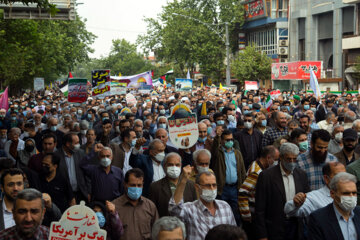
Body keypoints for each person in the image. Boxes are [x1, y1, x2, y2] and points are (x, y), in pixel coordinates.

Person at [255, 143, 310, 240]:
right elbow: (259, 209)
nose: (292, 162)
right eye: (289, 159)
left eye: (295, 159)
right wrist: (262, 235)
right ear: (281, 157)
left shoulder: (302, 175)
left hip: (296, 226)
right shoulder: (266, 176)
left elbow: (307, 201)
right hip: (274, 228)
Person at [169, 166, 236, 240]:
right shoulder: (189, 209)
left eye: (214, 185)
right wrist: (183, 181)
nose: (212, 189)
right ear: (197, 187)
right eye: (207, 185)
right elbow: (174, 209)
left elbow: (234, 234)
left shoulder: (225, 206)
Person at [238, 145, 279, 239]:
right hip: (252, 217)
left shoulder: (260, 166)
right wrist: (246, 215)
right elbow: (243, 192)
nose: (277, 162)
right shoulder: (256, 172)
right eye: (276, 159)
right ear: (268, 158)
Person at [308, 172, 360, 239]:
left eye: (354, 193)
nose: (351, 196)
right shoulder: (318, 219)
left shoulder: (358, 213)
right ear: (332, 194)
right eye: (346, 193)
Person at [211, 128, 246, 225]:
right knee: (222, 213)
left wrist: (241, 186)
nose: (230, 142)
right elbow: (213, 150)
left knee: (235, 214)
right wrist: (217, 137)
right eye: (227, 140)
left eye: (231, 139)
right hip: (223, 189)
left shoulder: (237, 153)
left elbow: (242, 171)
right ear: (222, 141)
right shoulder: (218, 153)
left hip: (235, 188)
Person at [112, 168, 159, 240]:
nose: (136, 188)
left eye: (139, 185)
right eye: (133, 185)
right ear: (125, 184)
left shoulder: (150, 206)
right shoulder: (114, 206)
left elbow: (156, 232)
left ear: (143, 185)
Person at [149, 152, 197, 217]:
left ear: (181, 166)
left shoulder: (190, 184)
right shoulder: (155, 187)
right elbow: (153, 212)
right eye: (170, 165)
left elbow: (194, 208)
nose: (174, 167)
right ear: (164, 166)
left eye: (177, 165)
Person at [54, 132, 88, 203]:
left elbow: (86, 173)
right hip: (64, 195)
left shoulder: (81, 153)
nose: (78, 145)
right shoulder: (56, 155)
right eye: (76, 143)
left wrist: (89, 192)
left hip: (80, 193)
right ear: (68, 144)